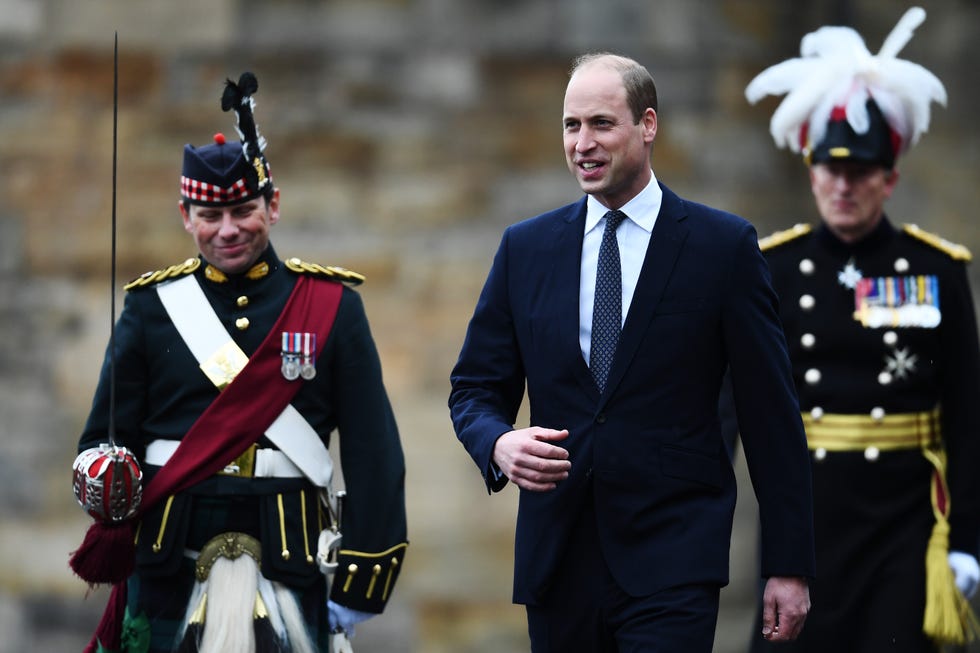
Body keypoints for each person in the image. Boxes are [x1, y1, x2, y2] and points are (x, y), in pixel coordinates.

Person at [448, 52, 815, 652]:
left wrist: (789, 563)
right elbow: (474, 388)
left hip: (673, 557)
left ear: (648, 125)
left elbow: (771, 416)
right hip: (558, 557)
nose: (582, 143)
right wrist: (498, 442)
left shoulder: (723, 248)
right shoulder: (526, 249)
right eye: (571, 125)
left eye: (601, 124)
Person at [73, 72, 407, 653]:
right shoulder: (152, 308)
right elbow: (105, 435)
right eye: (209, 215)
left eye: (243, 210)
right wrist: (103, 481)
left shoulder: (331, 307)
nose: (227, 230)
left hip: (289, 550)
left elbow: (372, 451)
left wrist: (363, 573)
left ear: (272, 206)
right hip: (167, 554)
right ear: (187, 217)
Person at [744, 7, 980, 651]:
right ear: (811, 169)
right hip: (808, 522)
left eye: (860, 172)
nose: (843, 185)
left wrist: (967, 543)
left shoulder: (937, 270)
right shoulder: (773, 268)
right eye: (831, 169)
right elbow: (738, 411)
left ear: (890, 177)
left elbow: (967, 417)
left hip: (904, 523)